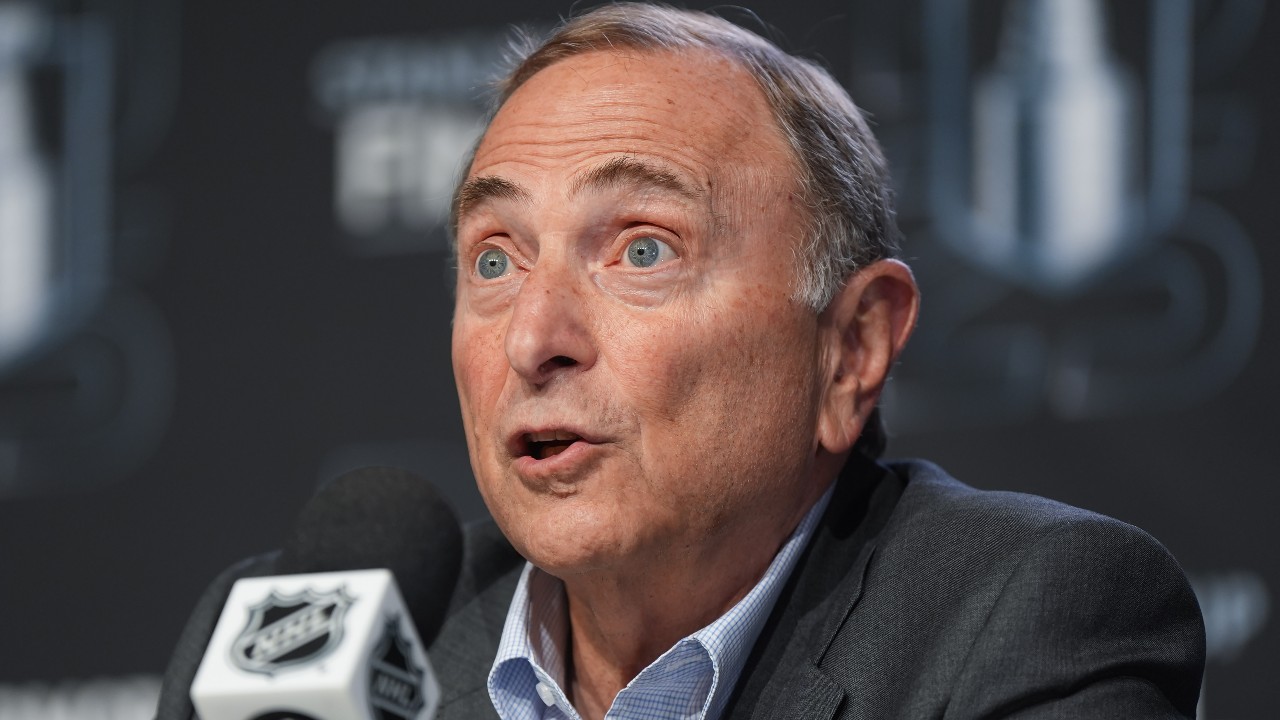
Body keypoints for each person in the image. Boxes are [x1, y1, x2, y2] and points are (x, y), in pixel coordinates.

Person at [432, 4, 1205, 720]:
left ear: (852, 348)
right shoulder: (404, 623)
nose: (531, 340)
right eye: (496, 261)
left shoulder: (1035, 622)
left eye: (644, 250)